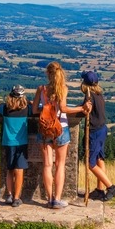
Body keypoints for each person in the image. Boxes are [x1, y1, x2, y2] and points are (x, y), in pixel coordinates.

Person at [33, 61, 85, 209]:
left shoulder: (41, 89)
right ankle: (57, 199)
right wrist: (81, 108)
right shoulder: (63, 89)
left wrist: (44, 107)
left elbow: (36, 110)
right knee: (60, 165)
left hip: (45, 129)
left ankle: (49, 199)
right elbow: (63, 108)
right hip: (61, 128)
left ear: (48, 74)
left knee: (47, 165)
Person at [80, 71, 115, 201]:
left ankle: (111, 187)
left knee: (90, 163)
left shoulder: (89, 97)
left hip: (94, 131)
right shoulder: (99, 94)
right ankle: (99, 190)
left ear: (85, 84)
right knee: (99, 159)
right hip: (102, 129)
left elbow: (86, 111)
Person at [0, 84, 29, 207]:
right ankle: (17, 198)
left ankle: (10, 195)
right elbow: (37, 108)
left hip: (8, 142)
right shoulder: (27, 109)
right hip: (21, 142)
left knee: (10, 170)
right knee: (19, 170)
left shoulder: (4, 108)